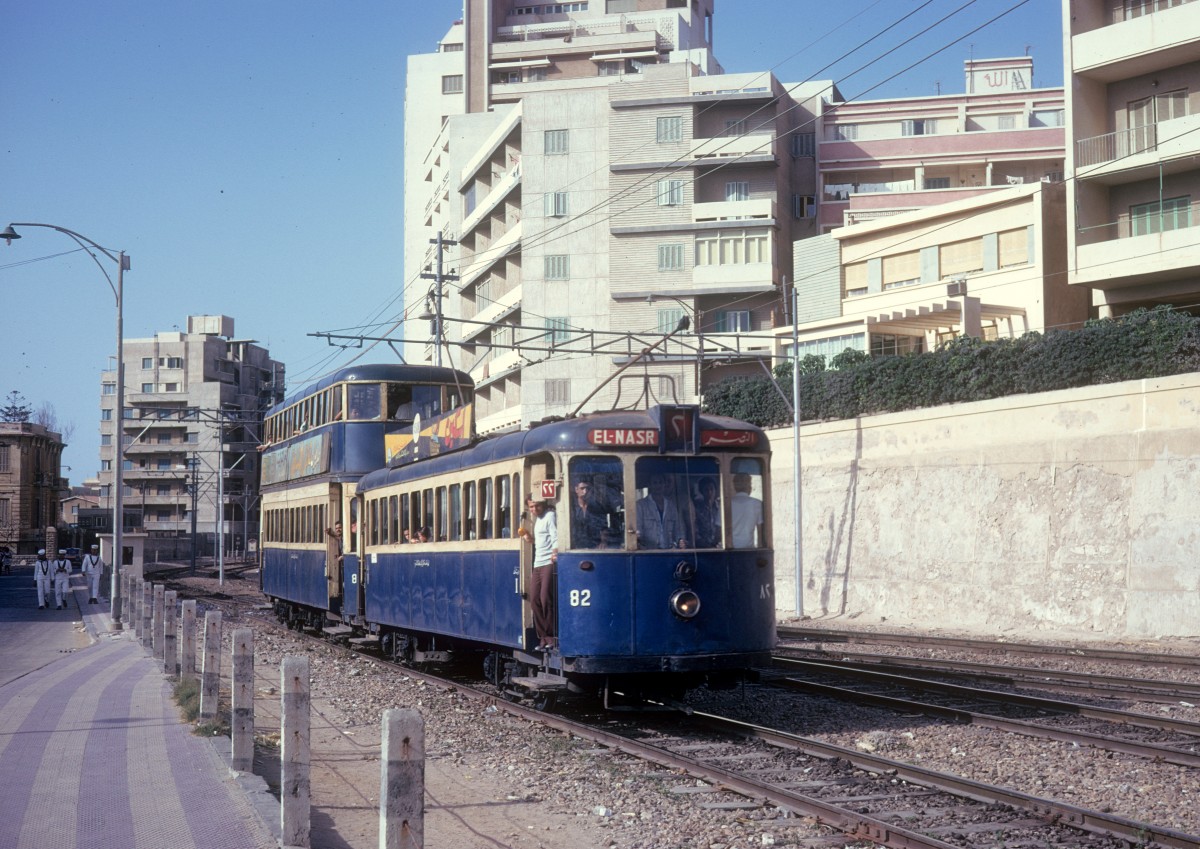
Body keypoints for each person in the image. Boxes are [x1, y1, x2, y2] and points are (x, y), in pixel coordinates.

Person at [530, 495, 558, 650]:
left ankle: (552, 635)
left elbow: (555, 537)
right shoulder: (537, 519)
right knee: (534, 600)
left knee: (545, 598)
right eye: (532, 507)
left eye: (536, 506)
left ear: (543, 505)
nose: (534, 510)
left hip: (548, 562)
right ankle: (543, 637)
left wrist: (554, 553)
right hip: (537, 563)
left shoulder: (550, 516)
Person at [635, 473, 686, 549]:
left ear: (664, 484)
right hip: (648, 553)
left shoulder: (671, 507)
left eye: (660, 482)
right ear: (650, 485)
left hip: (668, 552)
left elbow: (678, 529)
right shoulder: (640, 506)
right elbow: (638, 531)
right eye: (655, 483)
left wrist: (680, 540)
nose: (658, 486)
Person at [569, 478, 608, 549]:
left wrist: (603, 542)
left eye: (588, 488)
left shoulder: (597, 507)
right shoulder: (571, 508)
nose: (585, 491)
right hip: (576, 546)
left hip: (594, 545)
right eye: (582, 488)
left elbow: (603, 527)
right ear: (576, 489)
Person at [730, 472, 764, 549]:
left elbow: (718, 530)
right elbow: (760, 531)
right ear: (749, 486)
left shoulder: (726, 504)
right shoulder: (757, 503)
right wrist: (760, 549)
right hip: (749, 550)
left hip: (730, 550)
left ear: (735, 487)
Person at [693, 477, 722, 548]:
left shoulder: (720, 508)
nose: (709, 493)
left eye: (712, 489)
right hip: (702, 548)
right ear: (701, 491)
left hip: (719, 547)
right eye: (706, 490)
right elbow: (694, 529)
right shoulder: (697, 508)